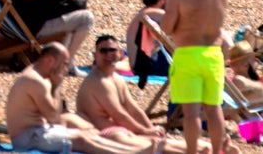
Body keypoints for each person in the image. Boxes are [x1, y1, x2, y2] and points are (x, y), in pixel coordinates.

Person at [77, 35, 225, 154]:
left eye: (112, 50)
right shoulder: (97, 81)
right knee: (157, 145)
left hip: (123, 131)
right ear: (95, 55)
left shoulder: (115, 78)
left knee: (161, 141)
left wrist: (152, 129)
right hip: (106, 133)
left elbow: (133, 109)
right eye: (103, 51)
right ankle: (206, 149)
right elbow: (119, 114)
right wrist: (146, 130)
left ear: (120, 54)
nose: (108, 54)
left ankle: (210, 148)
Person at [6, 42, 149, 153]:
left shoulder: (38, 76)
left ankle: (132, 151)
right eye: (64, 64)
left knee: (89, 134)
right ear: (49, 60)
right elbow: (53, 117)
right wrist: (57, 85)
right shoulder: (36, 81)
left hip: (37, 131)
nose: (65, 69)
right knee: (81, 140)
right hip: (27, 137)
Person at [161, 0, 228, 154]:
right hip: (214, 55)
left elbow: (167, 26)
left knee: (191, 114)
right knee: (214, 109)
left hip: (188, 54)